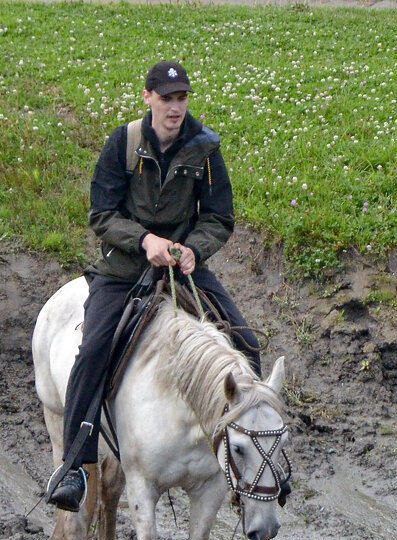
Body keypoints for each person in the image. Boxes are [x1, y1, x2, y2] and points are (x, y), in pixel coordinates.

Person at [46, 60, 260, 512]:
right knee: (91, 354)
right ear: (148, 98)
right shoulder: (122, 144)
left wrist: (193, 250)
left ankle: (247, 460)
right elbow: (101, 216)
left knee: (247, 343)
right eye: (166, 98)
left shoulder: (205, 147)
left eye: (182, 98)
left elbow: (219, 217)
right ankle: (73, 467)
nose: (175, 107)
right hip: (123, 271)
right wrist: (144, 241)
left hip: (183, 268)